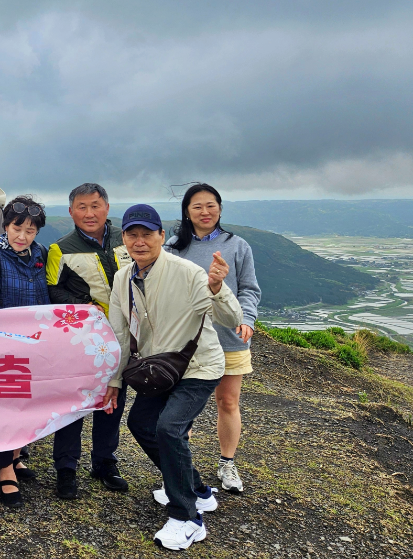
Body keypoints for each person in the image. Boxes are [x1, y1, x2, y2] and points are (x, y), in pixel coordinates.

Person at [106, 204, 243, 551]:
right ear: (123, 239)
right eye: (132, 234)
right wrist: (114, 381)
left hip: (198, 367)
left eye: (147, 234)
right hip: (159, 371)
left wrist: (217, 287)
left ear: (161, 237)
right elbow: (120, 334)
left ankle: (187, 517)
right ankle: (196, 489)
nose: (139, 241)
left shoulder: (188, 272)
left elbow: (230, 318)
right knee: (140, 423)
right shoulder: (123, 278)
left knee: (169, 428)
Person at [165, 184, 261, 494]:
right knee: (182, 408)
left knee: (228, 401)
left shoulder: (237, 245)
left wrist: (247, 319)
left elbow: (249, 289)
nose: (205, 212)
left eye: (211, 205)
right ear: (186, 211)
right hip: (186, 341)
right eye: (197, 206)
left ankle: (227, 463)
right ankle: (182, 467)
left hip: (229, 337)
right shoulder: (173, 246)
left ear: (220, 208)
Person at [44, 183, 132, 497]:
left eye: (95, 205)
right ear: (71, 212)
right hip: (82, 340)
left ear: (106, 207)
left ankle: (104, 461)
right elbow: (52, 290)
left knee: (113, 399)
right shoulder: (60, 248)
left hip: (124, 336)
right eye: (82, 207)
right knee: (73, 402)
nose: (89, 213)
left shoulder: (128, 239)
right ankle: (66, 468)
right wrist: (82, 304)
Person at [0, 195, 51, 507]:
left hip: (35, 340)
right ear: (6, 225)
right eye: (18, 228)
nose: (22, 236)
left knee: (27, 402)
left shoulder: (39, 253)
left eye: (30, 231)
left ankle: (17, 455)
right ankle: (5, 470)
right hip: (3, 344)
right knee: (4, 404)